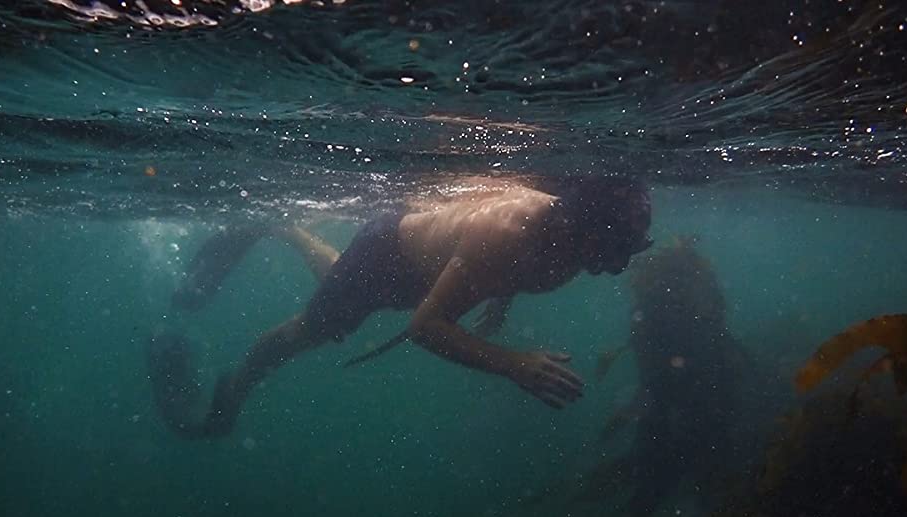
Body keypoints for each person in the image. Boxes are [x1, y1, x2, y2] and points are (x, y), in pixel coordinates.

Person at [151, 175, 653, 438]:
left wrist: (500, 296)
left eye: (628, 251)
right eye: (615, 250)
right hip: (385, 256)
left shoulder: (567, 242)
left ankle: (284, 228)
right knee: (310, 331)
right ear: (582, 228)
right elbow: (426, 326)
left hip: (422, 266)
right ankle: (231, 401)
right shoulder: (509, 233)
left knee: (338, 286)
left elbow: (518, 266)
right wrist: (513, 364)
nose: (617, 265)